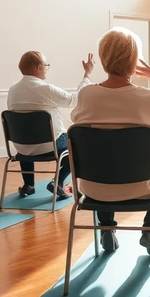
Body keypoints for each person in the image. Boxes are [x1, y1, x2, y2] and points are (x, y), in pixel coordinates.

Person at [71, 28, 150, 257]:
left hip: (93, 189)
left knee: (105, 160)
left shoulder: (87, 96)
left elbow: (76, 119)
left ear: (103, 59)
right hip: (142, 188)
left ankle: (106, 229)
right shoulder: (148, 98)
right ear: (134, 61)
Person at [6, 51, 94, 199]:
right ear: (38, 67)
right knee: (77, 143)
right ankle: (57, 183)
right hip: (49, 145)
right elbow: (74, 100)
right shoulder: (46, 89)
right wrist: (87, 75)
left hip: (21, 147)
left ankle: (29, 185)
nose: (47, 68)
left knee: (27, 136)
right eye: (46, 65)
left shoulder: (12, 90)